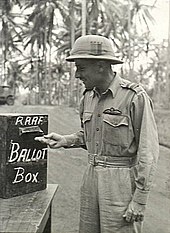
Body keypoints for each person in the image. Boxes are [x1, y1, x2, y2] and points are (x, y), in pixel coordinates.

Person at [35, 35, 159, 233]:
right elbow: (90, 136)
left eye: (81, 68)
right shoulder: (88, 97)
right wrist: (65, 140)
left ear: (101, 66)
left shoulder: (134, 97)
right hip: (91, 177)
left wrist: (140, 199)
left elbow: (148, 152)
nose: (77, 75)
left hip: (120, 183)